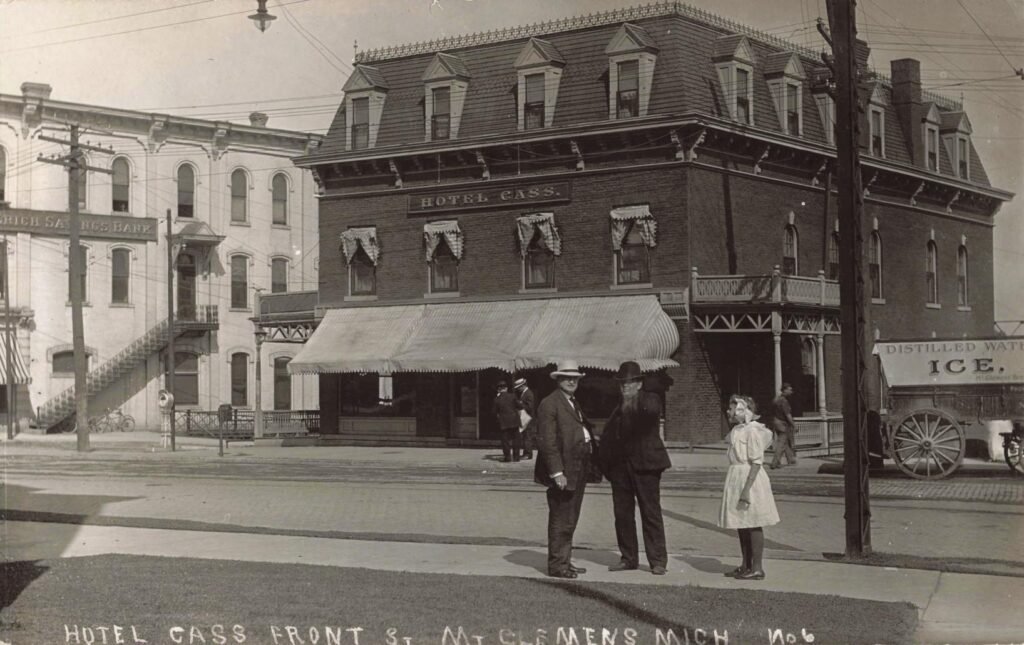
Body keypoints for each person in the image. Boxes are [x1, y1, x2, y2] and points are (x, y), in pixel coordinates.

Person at [600, 361, 671, 575]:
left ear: (639, 384)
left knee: (650, 514)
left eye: (629, 383)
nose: (625, 388)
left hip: (646, 466)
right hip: (621, 469)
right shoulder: (617, 407)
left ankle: (657, 561)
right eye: (622, 384)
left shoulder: (650, 399)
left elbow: (650, 414)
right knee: (622, 514)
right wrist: (607, 467)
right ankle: (628, 557)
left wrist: (631, 402)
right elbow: (608, 437)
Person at [534, 359, 593, 579]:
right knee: (561, 517)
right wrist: (557, 472)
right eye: (567, 378)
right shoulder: (550, 403)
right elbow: (547, 441)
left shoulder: (571, 401)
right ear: (558, 379)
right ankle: (558, 565)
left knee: (571, 517)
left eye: (575, 378)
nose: (571, 381)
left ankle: (565, 560)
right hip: (564, 470)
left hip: (578, 466)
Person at [719, 394, 780, 581]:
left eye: (731, 408)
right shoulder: (737, 430)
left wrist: (746, 489)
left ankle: (757, 567)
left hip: (749, 479)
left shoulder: (752, 431)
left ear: (741, 410)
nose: (728, 412)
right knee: (741, 522)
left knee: (753, 522)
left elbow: (756, 461)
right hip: (736, 476)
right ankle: (745, 565)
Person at [770, 383, 797, 469]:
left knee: (785, 442)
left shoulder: (776, 399)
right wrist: (794, 425)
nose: (791, 391)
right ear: (785, 390)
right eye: (790, 389)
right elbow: (788, 415)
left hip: (775, 421)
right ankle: (775, 462)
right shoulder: (784, 401)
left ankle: (790, 459)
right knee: (781, 443)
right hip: (782, 423)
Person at [493, 381, 521, 462]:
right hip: (514, 421)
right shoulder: (513, 396)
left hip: (503, 422)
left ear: (498, 389)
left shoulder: (497, 399)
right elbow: (519, 406)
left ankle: (507, 457)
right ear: (506, 388)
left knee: (505, 441)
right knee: (516, 440)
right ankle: (516, 457)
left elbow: (494, 412)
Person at [514, 377, 537, 460]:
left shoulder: (529, 393)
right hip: (524, 417)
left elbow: (530, 407)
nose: (518, 389)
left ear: (523, 386)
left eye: (519, 387)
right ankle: (526, 453)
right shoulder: (524, 393)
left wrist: (520, 404)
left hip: (528, 418)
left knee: (527, 436)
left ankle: (528, 454)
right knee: (525, 436)